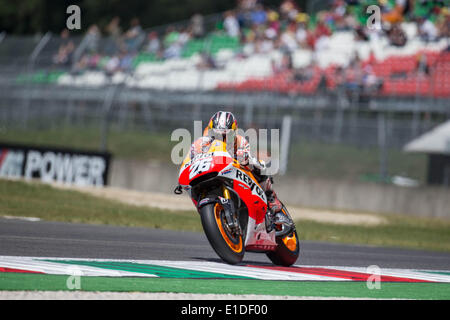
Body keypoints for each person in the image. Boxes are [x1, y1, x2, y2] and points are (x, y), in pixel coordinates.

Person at [191, 111, 292, 230]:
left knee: (260, 167)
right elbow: (190, 159)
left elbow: (251, 159)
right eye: (216, 134)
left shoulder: (240, 141)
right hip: (213, 172)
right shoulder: (200, 143)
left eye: (226, 135)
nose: (221, 138)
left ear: (233, 132)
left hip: (235, 173)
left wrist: (246, 158)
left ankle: (274, 205)